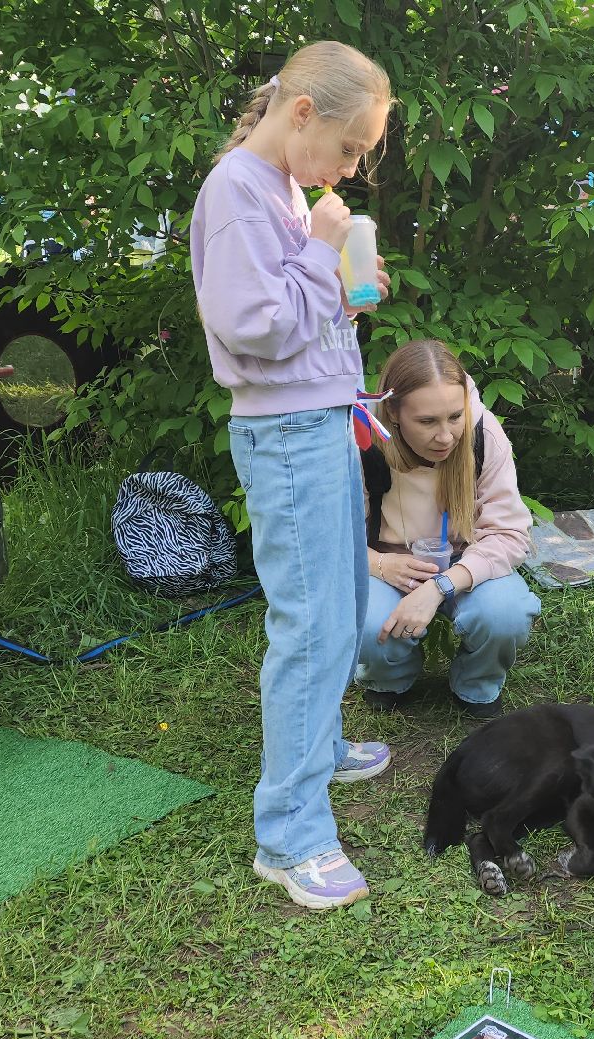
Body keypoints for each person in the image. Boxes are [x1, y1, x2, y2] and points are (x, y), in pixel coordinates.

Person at [191, 41, 395, 911]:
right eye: (350, 148)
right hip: (284, 433)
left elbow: (297, 310)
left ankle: (320, 745)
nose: (350, 167)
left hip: (317, 420)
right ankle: (290, 833)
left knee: (340, 600)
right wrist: (321, 251)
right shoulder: (238, 191)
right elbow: (255, 329)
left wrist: (344, 287)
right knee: (310, 626)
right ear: (302, 113)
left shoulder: (277, 189)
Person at [357, 340, 541, 719]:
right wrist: (379, 565)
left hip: (466, 559)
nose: (445, 437)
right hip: (387, 563)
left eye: (454, 417)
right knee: (368, 621)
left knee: (505, 612)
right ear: (393, 412)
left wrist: (443, 585)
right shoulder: (362, 440)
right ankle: (389, 677)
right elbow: (335, 540)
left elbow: (509, 534)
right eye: (427, 422)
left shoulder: (482, 435)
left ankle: (476, 684)